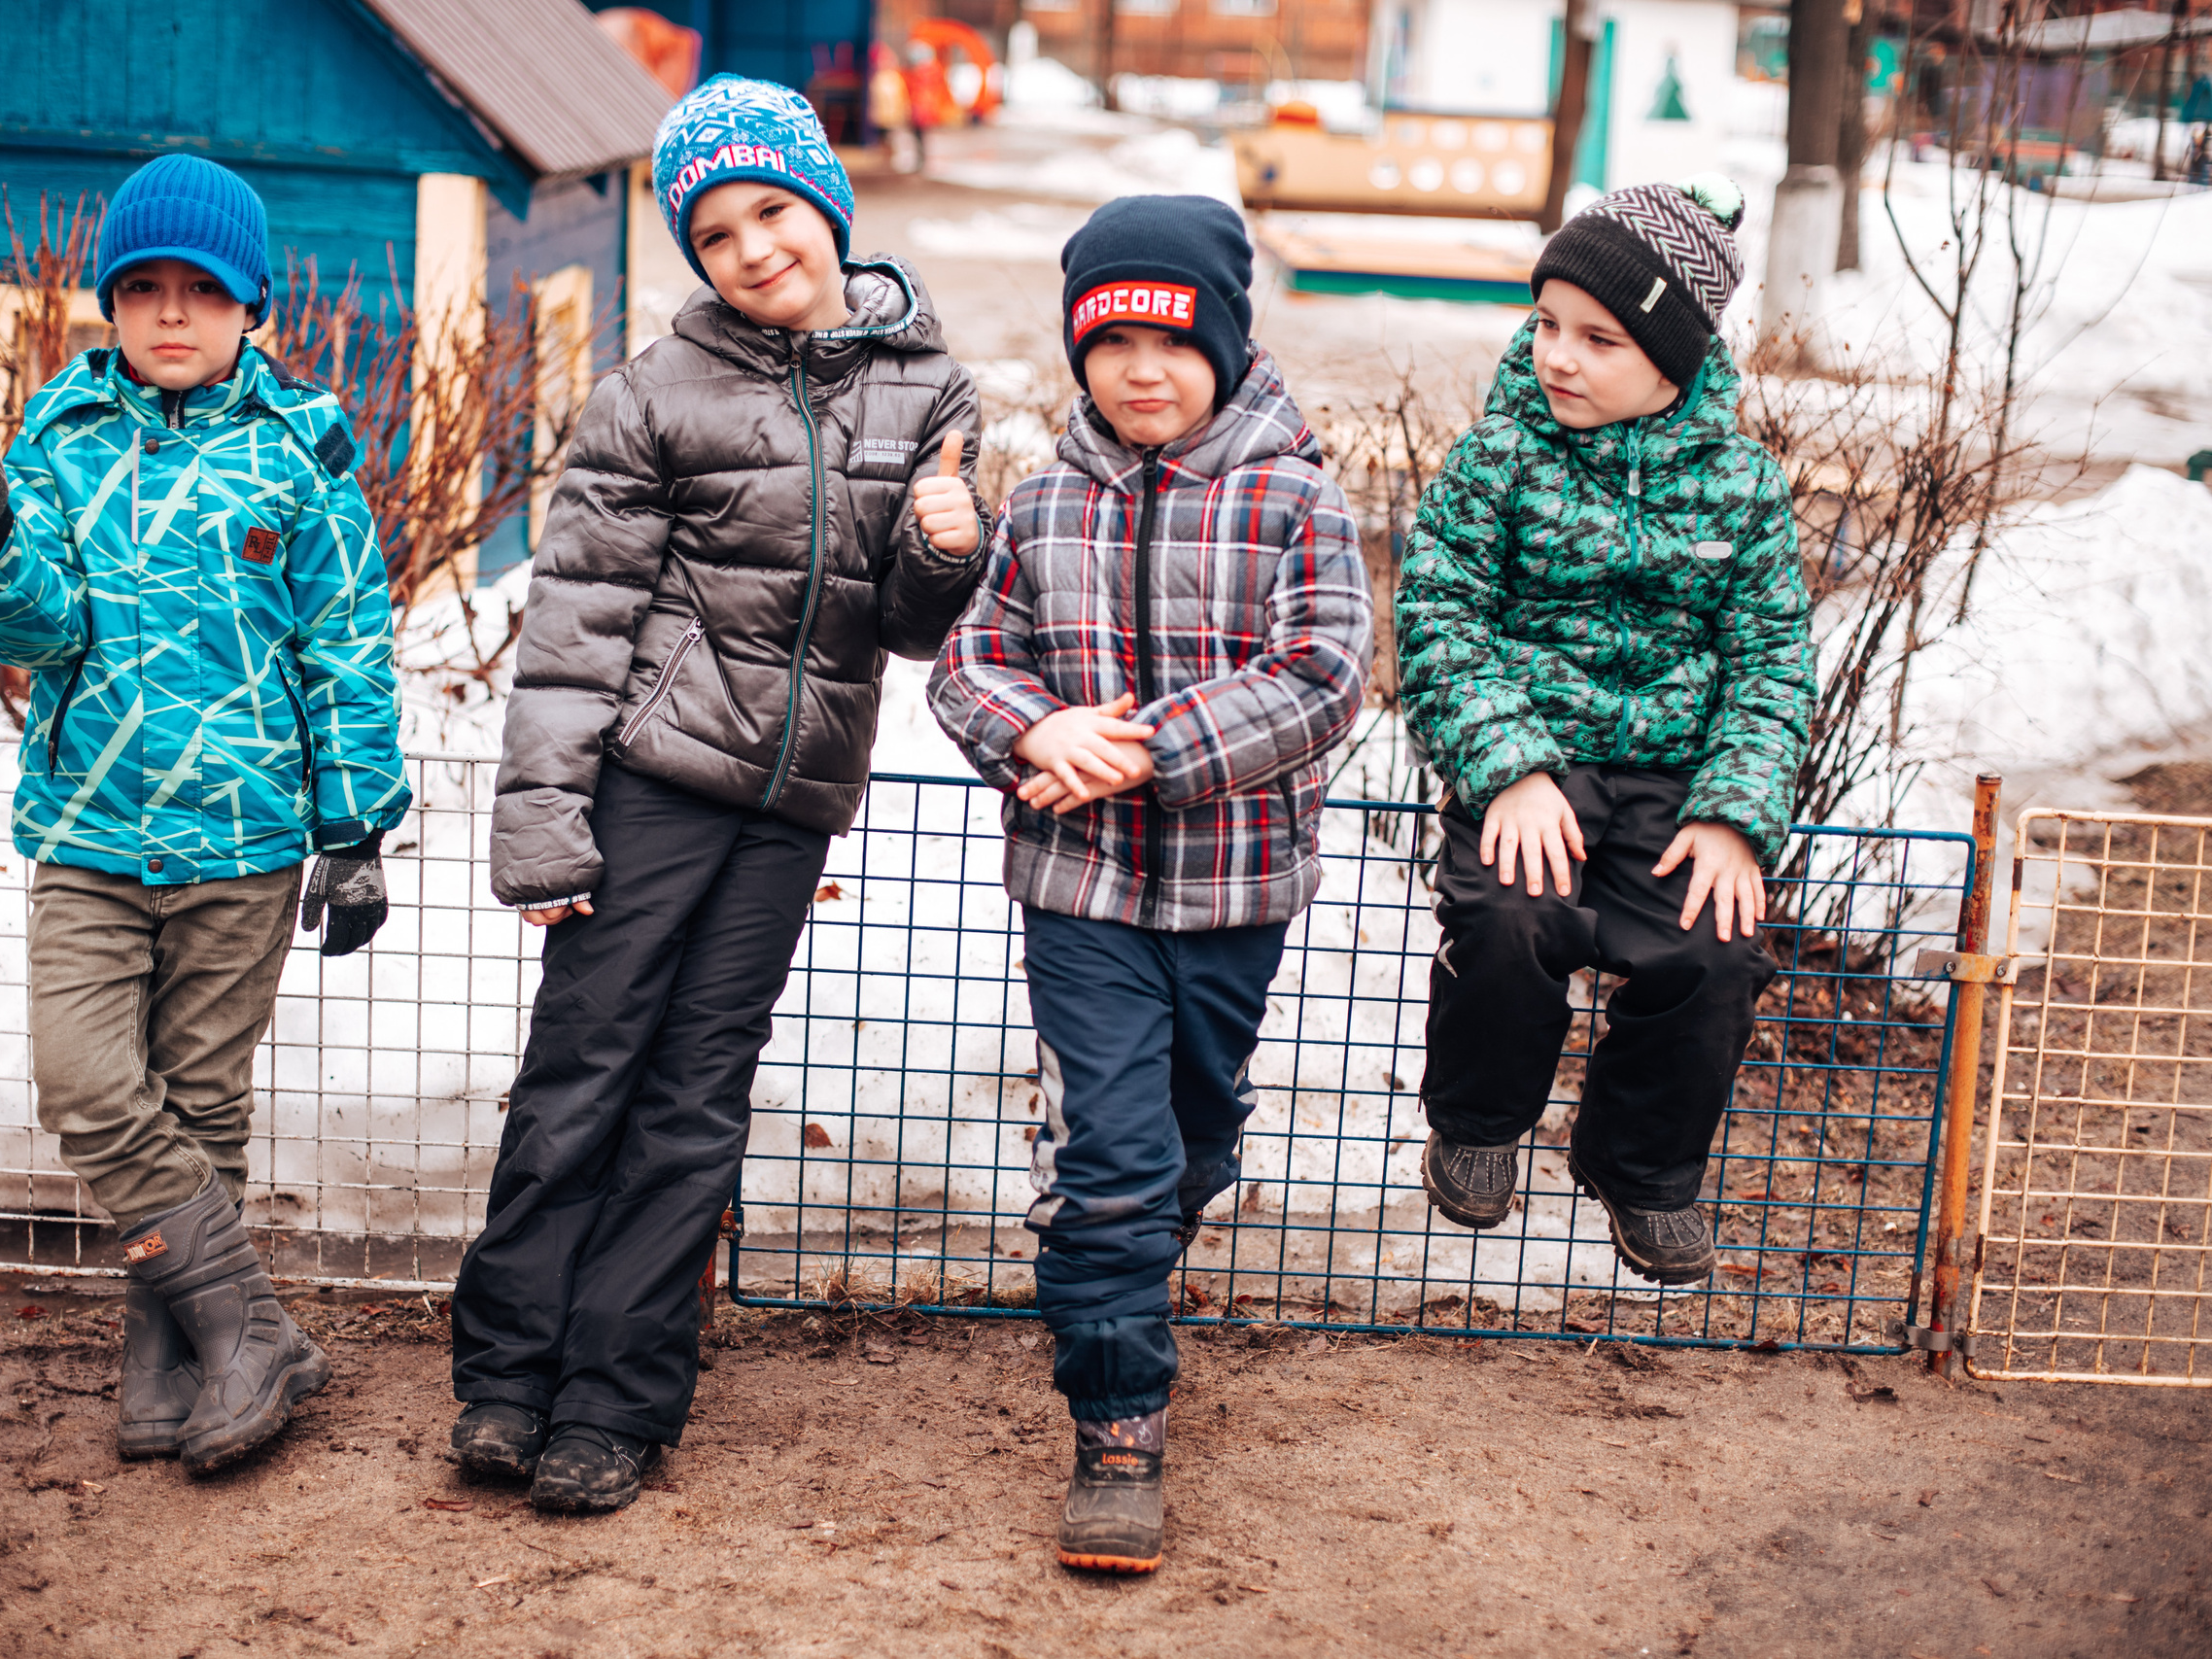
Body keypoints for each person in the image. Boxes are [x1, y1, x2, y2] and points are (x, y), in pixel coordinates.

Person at [451, 74, 990, 1515]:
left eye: (773, 211)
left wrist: (950, 545)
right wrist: (544, 821)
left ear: (826, 202)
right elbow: (573, 627)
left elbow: (914, 623)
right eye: (718, 231)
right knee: (582, 1072)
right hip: (648, 779)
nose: (755, 249)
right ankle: (507, 1374)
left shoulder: (929, 387)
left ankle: (616, 1399)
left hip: (793, 796)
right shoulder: (650, 395)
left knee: (695, 1099)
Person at [0, 154, 407, 1473]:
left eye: (202, 290)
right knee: (86, 1083)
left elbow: (345, 653)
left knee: (201, 1106)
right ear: (110, 305)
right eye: (144, 289)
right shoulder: (61, 441)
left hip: (242, 840)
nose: (172, 313)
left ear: (252, 305)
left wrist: (356, 830)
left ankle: (175, 1353)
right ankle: (250, 1323)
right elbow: (47, 628)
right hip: (90, 824)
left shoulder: (300, 457)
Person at [929, 194, 1372, 1574]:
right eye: (1110, 339)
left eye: (1173, 342)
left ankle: (1111, 1248)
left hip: (1235, 891)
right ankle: (1118, 1419)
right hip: (1075, 890)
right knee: (1116, 1157)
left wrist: (1137, 749)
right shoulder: (1045, 498)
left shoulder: (1295, 492)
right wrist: (1032, 730)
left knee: (1191, 1134)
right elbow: (966, 664)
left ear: (1229, 347)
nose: (1140, 368)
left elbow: (1323, 676)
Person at [1395, 175, 1815, 1287]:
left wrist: (1734, 815)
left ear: (1672, 360)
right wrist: (1508, 769)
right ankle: (1478, 1121)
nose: (1558, 357)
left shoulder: (1740, 486)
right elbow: (1438, 616)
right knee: (1507, 919)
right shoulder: (1498, 461)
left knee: (1714, 955)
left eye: (1599, 337)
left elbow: (1771, 661)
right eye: (1545, 325)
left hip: (1676, 790)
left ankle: (1642, 1170)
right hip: (1529, 762)